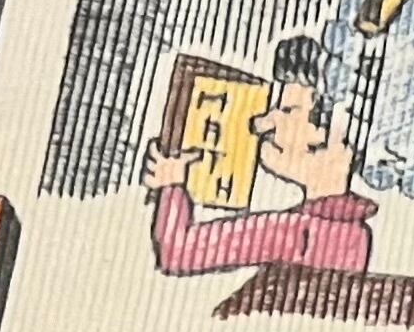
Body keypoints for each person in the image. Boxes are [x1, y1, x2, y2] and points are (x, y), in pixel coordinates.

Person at [143, 33, 380, 278]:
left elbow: (178, 251)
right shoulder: (353, 236)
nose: (261, 124)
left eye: (287, 111)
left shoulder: (299, 233)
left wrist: (171, 183)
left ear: (333, 134)